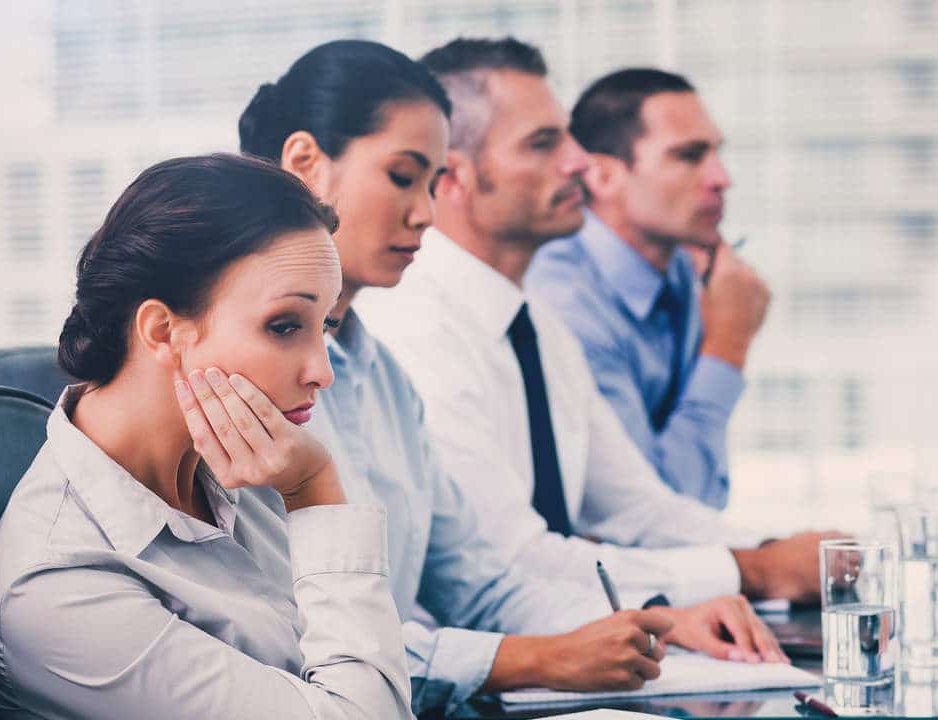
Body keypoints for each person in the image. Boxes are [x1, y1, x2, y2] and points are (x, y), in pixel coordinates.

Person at [239, 39, 781, 715]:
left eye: (430, 183)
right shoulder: (242, 378)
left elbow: (482, 583)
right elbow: (288, 639)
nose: (425, 214)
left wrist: (657, 618)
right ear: (306, 165)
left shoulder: (383, 377)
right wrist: (537, 657)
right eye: (404, 178)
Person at [362, 37, 839, 620]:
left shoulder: (534, 323)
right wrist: (754, 570)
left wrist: (786, 552)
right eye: (543, 144)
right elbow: (508, 565)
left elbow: (639, 510)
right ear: (452, 177)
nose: (580, 163)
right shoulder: (414, 328)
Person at [0, 154, 414, 719]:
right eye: (284, 327)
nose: (321, 371)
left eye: (324, 325)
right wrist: (314, 491)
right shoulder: (57, 587)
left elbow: (354, 657)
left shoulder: (247, 458)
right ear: (162, 331)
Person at [525, 68, 770, 510]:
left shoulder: (685, 269)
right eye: (689, 156)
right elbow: (654, 510)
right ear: (601, 177)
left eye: (716, 154)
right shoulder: (566, 305)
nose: (721, 178)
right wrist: (728, 346)